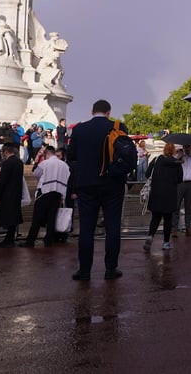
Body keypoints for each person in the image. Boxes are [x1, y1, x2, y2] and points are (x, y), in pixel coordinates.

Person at [66, 99, 128, 280]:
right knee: (112, 227)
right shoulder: (118, 127)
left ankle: (84, 270)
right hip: (113, 183)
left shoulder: (79, 129)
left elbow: (71, 155)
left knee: (86, 228)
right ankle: (111, 268)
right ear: (109, 112)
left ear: (92, 111)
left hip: (87, 184)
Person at [21, 146, 69, 247]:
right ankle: (49, 240)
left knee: (37, 218)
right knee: (52, 218)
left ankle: (30, 241)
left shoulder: (45, 163)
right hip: (58, 192)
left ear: (47, 154)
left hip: (45, 191)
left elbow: (36, 173)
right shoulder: (64, 165)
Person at [143, 142, 183, 252]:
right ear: (174, 151)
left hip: (156, 193)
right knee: (167, 219)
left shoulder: (156, 160)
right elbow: (180, 179)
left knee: (155, 218)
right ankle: (165, 243)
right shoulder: (176, 163)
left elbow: (147, 174)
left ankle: (150, 236)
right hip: (170, 194)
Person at [0, 142, 23, 248]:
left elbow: (3, 180)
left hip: (7, 193)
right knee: (13, 217)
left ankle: (8, 240)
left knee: (8, 216)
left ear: (6, 151)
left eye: (2, 152)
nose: (2, 154)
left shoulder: (7, 163)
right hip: (16, 192)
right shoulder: (19, 162)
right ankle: (10, 238)